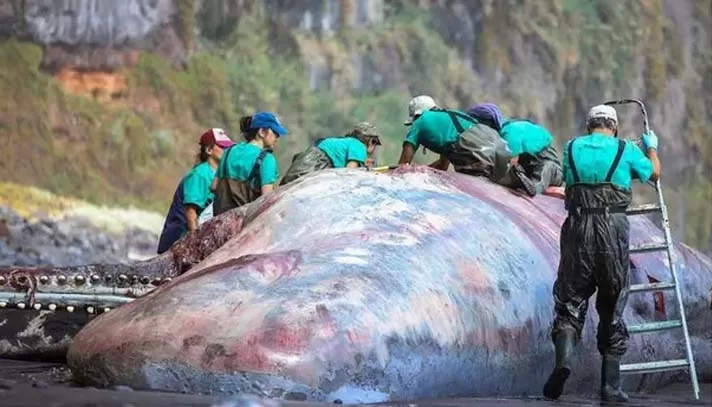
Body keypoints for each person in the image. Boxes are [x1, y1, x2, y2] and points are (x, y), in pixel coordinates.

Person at [542, 104, 660, 402]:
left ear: (588, 126)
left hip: (578, 228)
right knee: (612, 303)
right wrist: (650, 148)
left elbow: (567, 181)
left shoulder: (570, 148)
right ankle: (610, 386)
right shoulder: (625, 149)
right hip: (613, 230)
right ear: (614, 126)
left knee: (569, 300)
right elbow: (654, 174)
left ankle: (563, 363)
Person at [156, 128, 236, 254]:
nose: (226, 151)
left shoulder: (218, 175)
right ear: (209, 150)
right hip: (179, 241)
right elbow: (190, 212)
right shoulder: (200, 174)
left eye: (228, 147)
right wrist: (196, 244)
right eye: (222, 147)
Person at [397, 95, 511, 182]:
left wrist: (407, 173)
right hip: (501, 149)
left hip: (480, 153)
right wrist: (422, 170)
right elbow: (442, 166)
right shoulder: (450, 119)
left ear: (416, 115)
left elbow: (402, 167)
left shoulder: (420, 121)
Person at [467, 103, 563, 197]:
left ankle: (534, 187)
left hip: (552, 170)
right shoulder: (500, 136)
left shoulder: (510, 131)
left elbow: (510, 159)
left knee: (546, 169)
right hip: (526, 171)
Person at [211, 112, 287, 216]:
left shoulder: (229, 151)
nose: (277, 138)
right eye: (275, 133)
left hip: (220, 219)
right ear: (262, 132)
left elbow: (214, 186)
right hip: (244, 224)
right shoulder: (267, 159)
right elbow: (267, 200)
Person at [280, 121, 382, 185]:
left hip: (309, 158)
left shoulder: (346, 142)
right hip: (316, 163)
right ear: (369, 140)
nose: (374, 147)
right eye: (374, 142)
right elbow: (350, 172)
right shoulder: (359, 146)